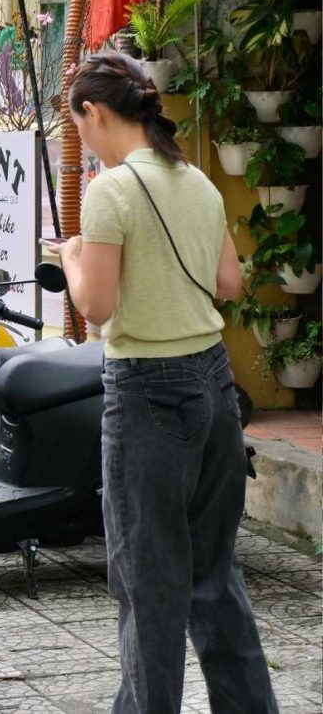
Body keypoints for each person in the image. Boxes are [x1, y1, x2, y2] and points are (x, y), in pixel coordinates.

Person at [54, 53, 277, 713]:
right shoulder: (198, 182)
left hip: (146, 390)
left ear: (94, 112)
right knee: (214, 576)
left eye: (79, 126)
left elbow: (95, 307)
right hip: (213, 384)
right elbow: (230, 284)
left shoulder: (110, 190)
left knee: (148, 583)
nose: (83, 141)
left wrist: (69, 256)